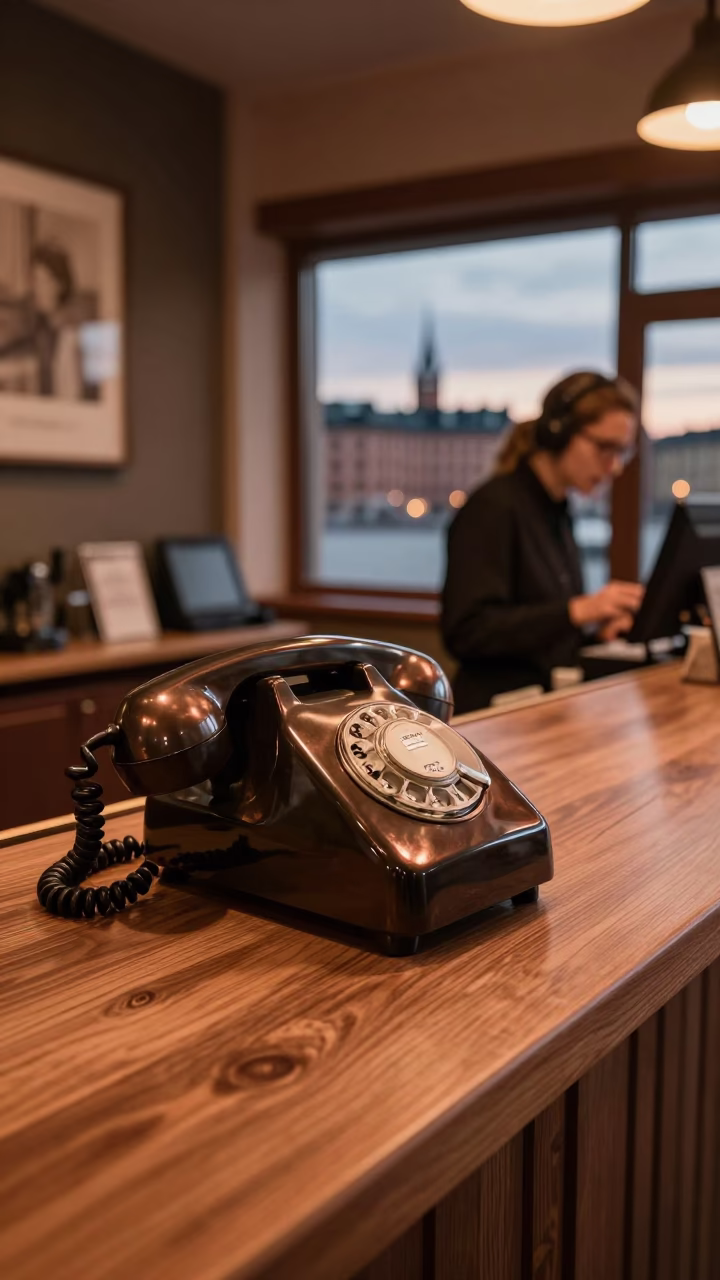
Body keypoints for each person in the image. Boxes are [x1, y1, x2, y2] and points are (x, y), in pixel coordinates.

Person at [441, 371, 645, 713]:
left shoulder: (558, 510)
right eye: (604, 447)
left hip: (541, 711)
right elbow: (467, 631)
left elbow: (543, 631)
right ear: (558, 433)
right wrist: (578, 611)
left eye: (621, 452)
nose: (614, 467)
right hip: (494, 719)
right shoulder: (494, 507)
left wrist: (597, 635)